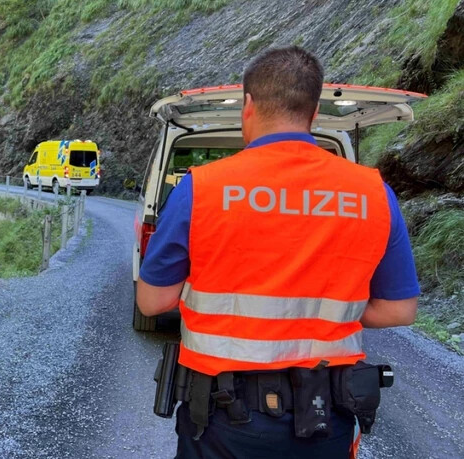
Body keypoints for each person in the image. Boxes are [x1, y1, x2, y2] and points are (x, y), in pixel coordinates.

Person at [136, 47, 419, 458]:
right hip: (326, 413)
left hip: (222, 415)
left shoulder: (203, 188)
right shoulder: (373, 193)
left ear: (249, 105)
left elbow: (152, 300)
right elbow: (398, 310)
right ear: (313, 111)